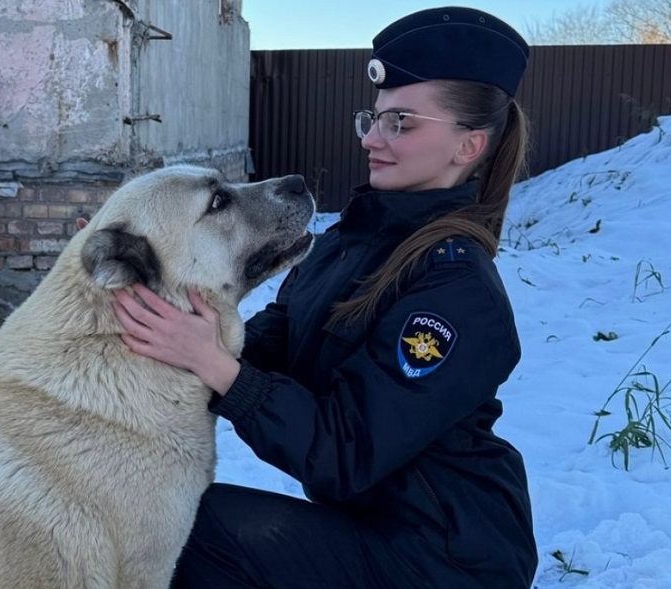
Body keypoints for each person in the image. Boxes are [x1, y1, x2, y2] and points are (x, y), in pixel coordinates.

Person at [112, 6, 538, 589]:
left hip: (444, 558)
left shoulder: (456, 291)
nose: (370, 138)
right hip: (371, 527)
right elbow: (273, 339)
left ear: (469, 147)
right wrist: (167, 312)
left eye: (401, 124)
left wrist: (214, 365)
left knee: (188, 528)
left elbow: (346, 452)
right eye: (375, 118)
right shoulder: (356, 239)